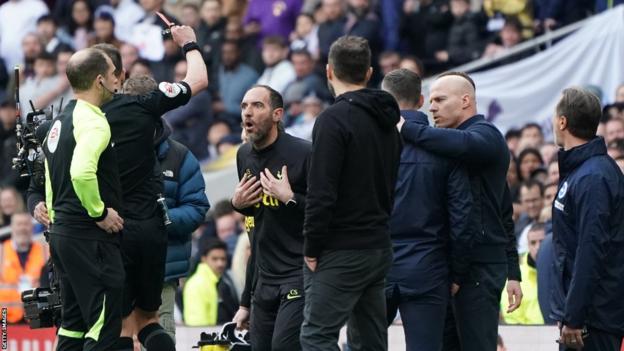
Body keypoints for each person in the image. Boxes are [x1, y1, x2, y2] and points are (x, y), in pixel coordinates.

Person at [93, 26, 207, 351]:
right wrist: (189, 43)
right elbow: (198, 80)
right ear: (119, 74)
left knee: (120, 326)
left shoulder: (80, 119)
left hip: (112, 232)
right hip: (150, 231)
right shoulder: (144, 106)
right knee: (150, 321)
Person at [397, 71, 522, 351]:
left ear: (466, 100)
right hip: (448, 266)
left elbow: (464, 145)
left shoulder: (487, 136)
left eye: (440, 99)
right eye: (429, 101)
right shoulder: (442, 144)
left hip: (479, 265)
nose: (431, 108)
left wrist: (406, 127)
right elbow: (505, 208)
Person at [301, 36, 402, 350]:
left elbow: (321, 191)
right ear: (369, 73)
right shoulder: (389, 120)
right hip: (378, 245)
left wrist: (312, 246)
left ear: (329, 72)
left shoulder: (332, 120)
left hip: (342, 248)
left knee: (316, 337)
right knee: (369, 340)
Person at [381, 68, 473, 351]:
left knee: (363, 345)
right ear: (421, 100)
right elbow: (462, 217)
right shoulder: (445, 146)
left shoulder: (368, 146)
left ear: (384, 101)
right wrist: (457, 272)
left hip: (377, 264)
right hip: (428, 268)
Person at [42, 47, 124, 351]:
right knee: (103, 327)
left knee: (73, 327)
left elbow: (50, 179)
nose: (118, 79)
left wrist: (56, 217)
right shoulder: (94, 121)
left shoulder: (58, 122)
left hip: (63, 233)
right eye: (114, 73)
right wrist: (99, 213)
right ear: (100, 80)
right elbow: (80, 172)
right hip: (90, 238)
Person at [122, 75, 210, 342]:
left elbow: (197, 208)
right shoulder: (106, 148)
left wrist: (160, 219)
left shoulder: (179, 155)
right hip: (118, 270)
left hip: (162, 271)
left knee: (159, 338)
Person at [229, 84, 311, 350]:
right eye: (244, 106)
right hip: (264, 281)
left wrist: (290, 198)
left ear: (277, 114)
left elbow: (329, 213)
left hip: (299, 273)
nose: (248, 113)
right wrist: (237, 204)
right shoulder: (243, 155)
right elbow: (256, 227)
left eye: (257, 105)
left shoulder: (304, 153)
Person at [551, 87, 624, 350]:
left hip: (592, 323)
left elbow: (591, 249)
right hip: (583, 318)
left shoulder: (593, 177)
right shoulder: (582, 171)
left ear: (562, 121)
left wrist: (574, 317)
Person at [0, 212, 47, 324]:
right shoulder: (1, 251)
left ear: (32, 227)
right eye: (19, 224)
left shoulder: (45, 251)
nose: (22, 228)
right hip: (5, 320)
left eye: (26, 224)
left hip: (37, 318)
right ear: (11, 227)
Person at [500, 223, 545, 325]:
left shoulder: (562, 271)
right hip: (527, 336)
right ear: (528, 245)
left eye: (542, 241)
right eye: (533, 243)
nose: (538, 247)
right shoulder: (515, 276)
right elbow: (512, 318)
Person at [183, 238, 231, 326]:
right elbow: (198, 324)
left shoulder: (221, 281)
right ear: (204, 259)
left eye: (223, 259)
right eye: (214, 259)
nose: (220, 264)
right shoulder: (197, 284)